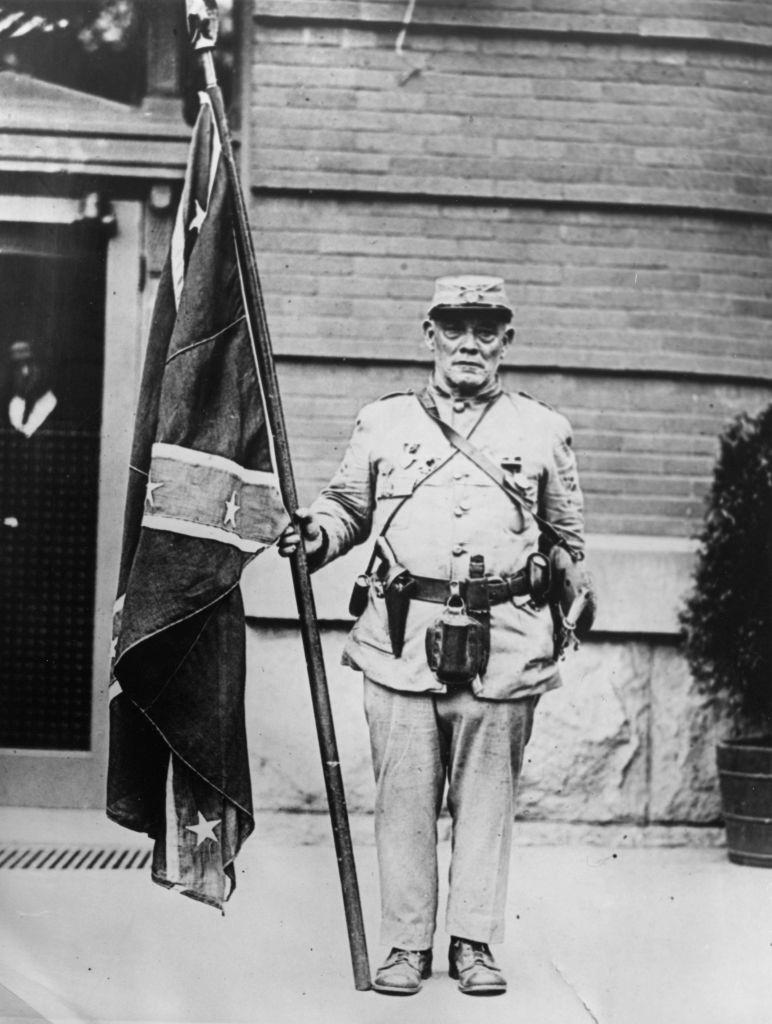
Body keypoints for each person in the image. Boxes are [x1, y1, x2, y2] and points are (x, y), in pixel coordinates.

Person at [279, 274, 591, 996]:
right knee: (404, 799)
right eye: (455, 328)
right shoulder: (384, 423)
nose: (470, 344)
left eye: (486, 330)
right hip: (400, 637)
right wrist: (315, 536)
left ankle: (474, 942)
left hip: (507, 642)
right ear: (430, 336)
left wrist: (572, 596)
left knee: (486, 804)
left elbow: (569, 537)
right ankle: (404, 944)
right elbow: (346, 509)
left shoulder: (542, 429)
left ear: (506, 341)